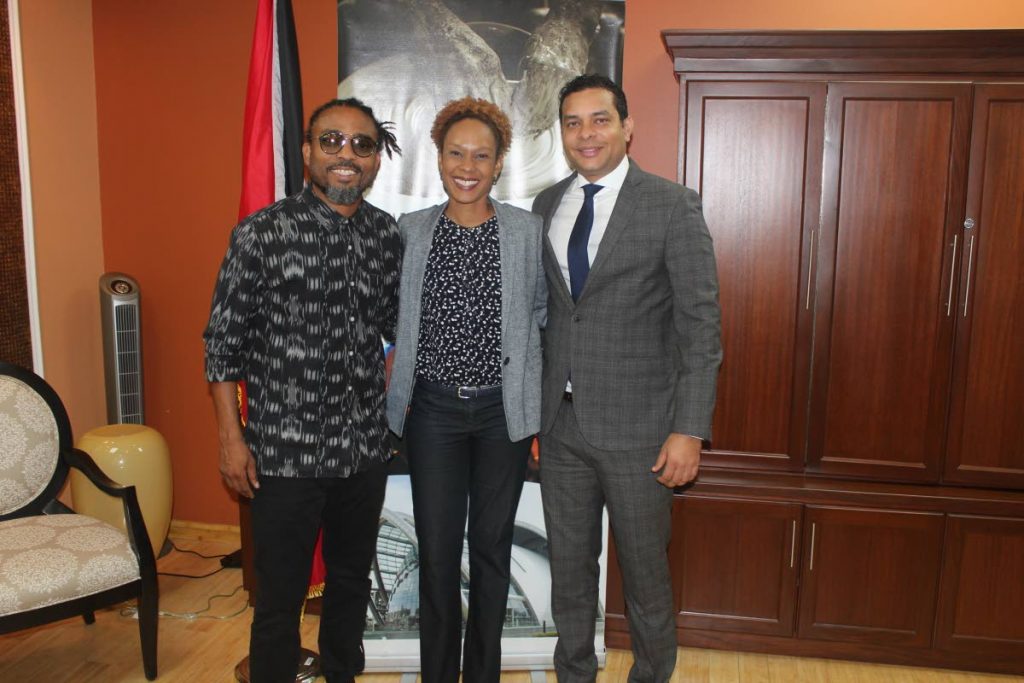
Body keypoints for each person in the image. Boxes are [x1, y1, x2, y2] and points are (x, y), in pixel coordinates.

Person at [203, 98, 401, 683]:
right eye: (333, 141)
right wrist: (230, 440)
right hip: (283, 455)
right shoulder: (261, 234)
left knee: (349, 584)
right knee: (280, 596)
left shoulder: (387, 236)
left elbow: (399, 332)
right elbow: (222, 347)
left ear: (375, 161)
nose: (347, 154)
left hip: (363, 450)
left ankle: (344, 674)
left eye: (362, 144)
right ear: (308, 151)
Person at [532, 74, 722, 683]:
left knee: (644, 571)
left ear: (626, 126)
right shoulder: (545, 204)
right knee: (568, 568)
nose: (586, 134)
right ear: (561, 133)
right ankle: (575, 674)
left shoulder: (671, 204)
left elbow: (701, 327)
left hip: (643, 433)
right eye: (572, 122)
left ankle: (651, 674)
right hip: (560, 428)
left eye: (599, 119)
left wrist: (689, 429)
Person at [386, 97, 546, 683]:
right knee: (434, 552)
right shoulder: (410, 232)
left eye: (482, 154)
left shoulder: (527, 232)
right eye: (457, 152)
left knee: (491, 549)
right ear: (439, 157)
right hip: (432, 413)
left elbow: (544, 316)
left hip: (501, 413)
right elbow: (387, 317)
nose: (468, 165)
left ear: (499, 163)